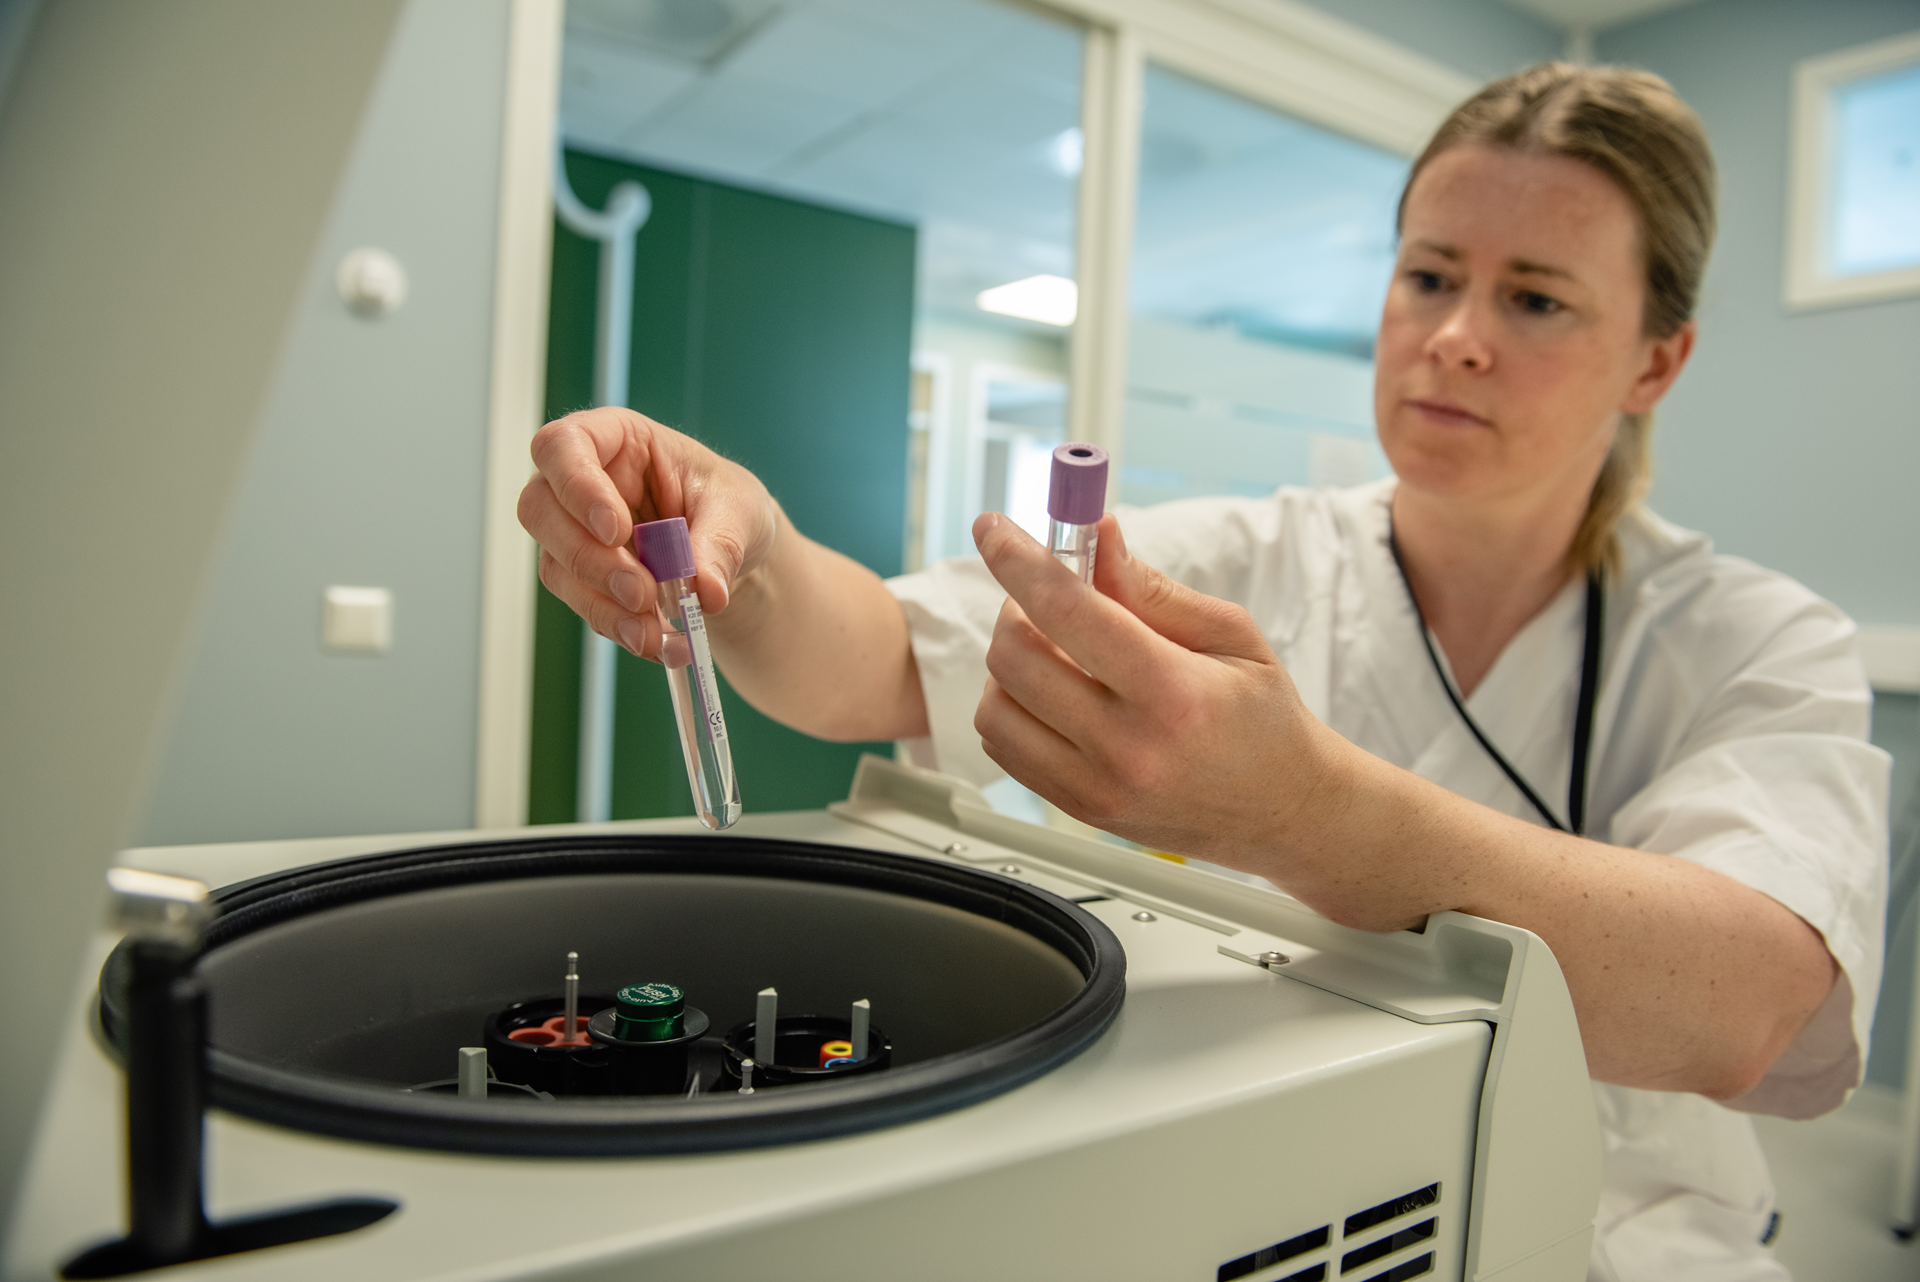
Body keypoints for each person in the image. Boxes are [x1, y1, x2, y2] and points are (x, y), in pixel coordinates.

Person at [518, 63, 1886, 1280]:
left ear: (1661, 357)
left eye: (1533, 296)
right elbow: (878, 659)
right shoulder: (1246, 552)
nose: (1456, 333)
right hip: (1274, 1193)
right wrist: (748, 561)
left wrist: (1303, 815)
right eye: (1429, 274)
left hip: (1624, 1235)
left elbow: (1754, 1001)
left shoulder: (1752, 638)